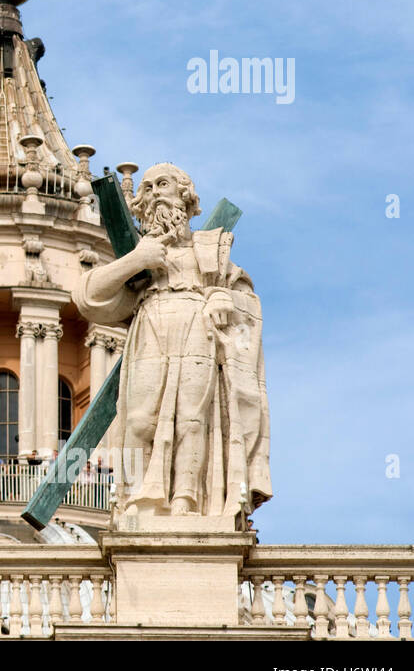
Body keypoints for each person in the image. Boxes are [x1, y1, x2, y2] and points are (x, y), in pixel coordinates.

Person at [74, 163, 271, 520]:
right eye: (146, 188)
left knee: (193, 419)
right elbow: (88, 297)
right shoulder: (139, 261)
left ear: (185, 196)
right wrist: (137, 259)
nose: (152, 195)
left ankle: (185, 501)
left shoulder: (210, 247)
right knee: (137, 419)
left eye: (162, 185)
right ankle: (136, 500)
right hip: (151, 325)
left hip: (199, 328)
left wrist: (223, 298)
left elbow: (244, 297)